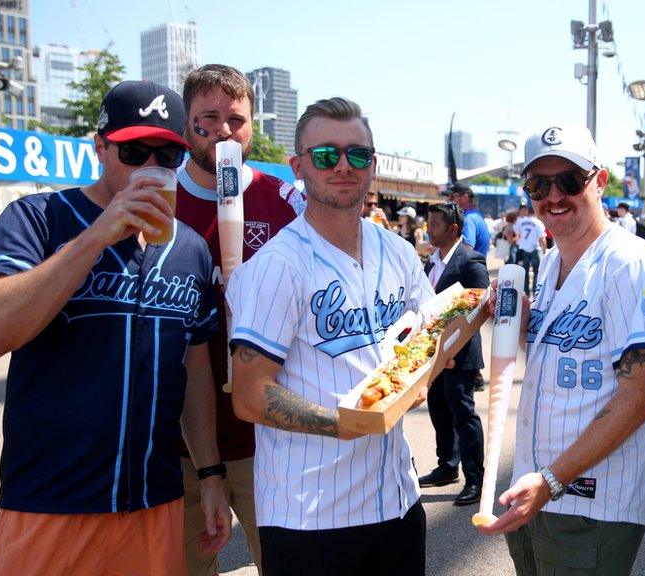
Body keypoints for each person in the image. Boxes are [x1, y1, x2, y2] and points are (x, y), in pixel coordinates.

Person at [0, 80, 232, 575]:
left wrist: (210, 473)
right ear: (100, 149)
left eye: (167, 155)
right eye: (134, 151)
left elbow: (193, 369)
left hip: (155, 499)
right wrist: (98, 235)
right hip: (49, 503)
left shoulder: (189, 247)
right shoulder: (40, 218)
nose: (151, 168)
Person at [227, 97, 430, 576]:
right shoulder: (278, 267)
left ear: (372, 165)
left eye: (357, 154)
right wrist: (345, 422)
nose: (343, 166)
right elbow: (251, 396)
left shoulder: (397, 251)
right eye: (325, 156)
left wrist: (427, 372)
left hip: (397, 501)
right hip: (310, 517)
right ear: (298, 166)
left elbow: (430, 332)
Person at [477, 123, 645, 576]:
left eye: (569, 180)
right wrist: (526, 325)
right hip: (535, 489)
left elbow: (638, 396)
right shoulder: (550, 262)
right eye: (539, 184)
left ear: (599, 180)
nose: (554, 195)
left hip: (590, 501)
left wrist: (550, 481)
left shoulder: (632, 264)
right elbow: (565, 362)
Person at [175, 63, 304, 576]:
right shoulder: (160, 200)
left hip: (269, 441)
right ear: (187, 124)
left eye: (237, 119)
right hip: (178, 447)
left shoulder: (285, 201)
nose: (225, 131)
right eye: (208, 118)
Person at [418, 202, 489, 507]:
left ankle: (476, 479)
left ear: (453, 229)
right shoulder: (430, 261)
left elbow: (483, 305)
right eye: (428, 224)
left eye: (434, 225)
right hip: (432, 352)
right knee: (438, 408)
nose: (428, 230)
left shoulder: (470, 260)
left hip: (460, 353)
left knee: (463, 414)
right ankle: (447, 466)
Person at [444, 181, 490, 255]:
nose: (449, 200)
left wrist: (443, 248)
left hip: (470, 266)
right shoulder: (475, 214)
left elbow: (468, 247)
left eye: (452, 197)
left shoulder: (468, 218)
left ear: (465, 198)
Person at [510, 203, 546, 296]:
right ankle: (535, 291)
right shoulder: (538, 223)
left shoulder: (520, 222)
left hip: (524, 249)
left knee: (524, 272)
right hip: (535, 249)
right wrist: (544, 250)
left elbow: (517, 234)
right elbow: (541, 238)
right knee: (537, 272)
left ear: (527, 212)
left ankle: (526, 291)